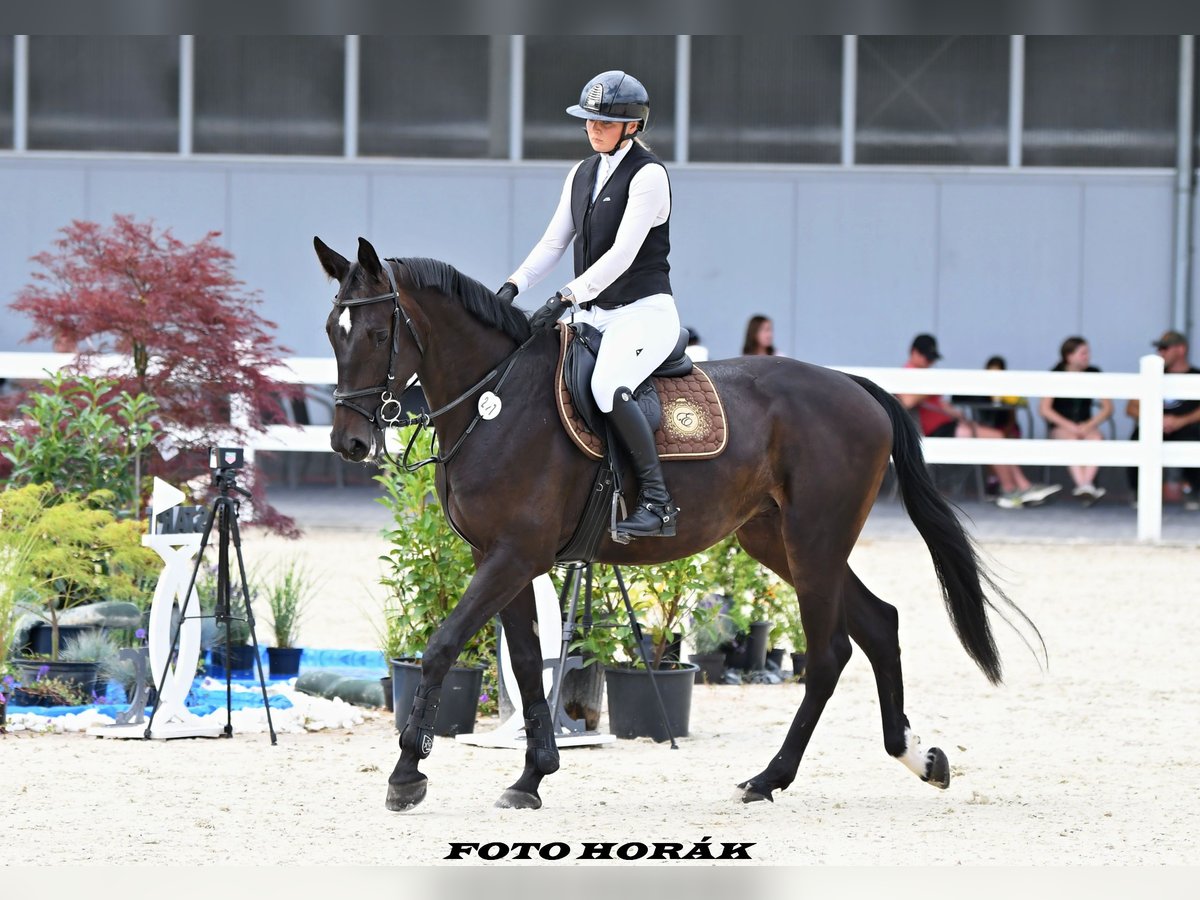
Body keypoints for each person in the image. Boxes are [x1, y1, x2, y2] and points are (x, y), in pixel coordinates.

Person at [495, 70, 680, 540]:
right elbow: (555, 241)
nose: (593, 129)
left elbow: (623, 253)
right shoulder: (581, 173)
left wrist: (565, 296)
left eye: (604, 122)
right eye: (589, 121)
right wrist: (514, 285)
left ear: (632, 127)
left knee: (607, 385)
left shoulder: (650, 175)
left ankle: (658, 504)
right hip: (593, 314)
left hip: (643, 312)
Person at [896, 334, 1061, 509]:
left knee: (994, 437)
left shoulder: (923, 375)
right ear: (914, 353)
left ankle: (1021, 486)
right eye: (927, 358)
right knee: (995, 437)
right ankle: (1010, 489)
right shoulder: (909, 373)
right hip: (936, 429)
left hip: (947, 424)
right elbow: (907, 401)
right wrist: (930, 387)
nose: (930, 363)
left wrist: (956, 413)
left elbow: (937, 403)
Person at [1126, 330, 1200, 510]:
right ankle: (1140, 492)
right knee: (1139, 437)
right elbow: (1131, 407)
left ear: (1181, 349)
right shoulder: (1152, 375)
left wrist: (1182, 420)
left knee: (1195, 438)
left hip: (1187, 428)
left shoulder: (1196, 375)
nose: (1161, 352)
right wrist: (1155, 419)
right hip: (1156, 428)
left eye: (1165, 348)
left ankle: (1195, 491)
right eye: (1159, 348)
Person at [1038, 336, 1113, 505]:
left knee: (1096, 439)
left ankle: (1084, 486)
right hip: (1062, 426)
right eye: (1083, 353)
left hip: (1086, 425)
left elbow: (1107, 407)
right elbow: (1045, 409)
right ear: (1069, 356)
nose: (1088, 357)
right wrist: (1070, 426)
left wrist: (1088, 425)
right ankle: (1085, 486)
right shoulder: (1055, 374)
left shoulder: (1094, 373)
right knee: (1071, 440)